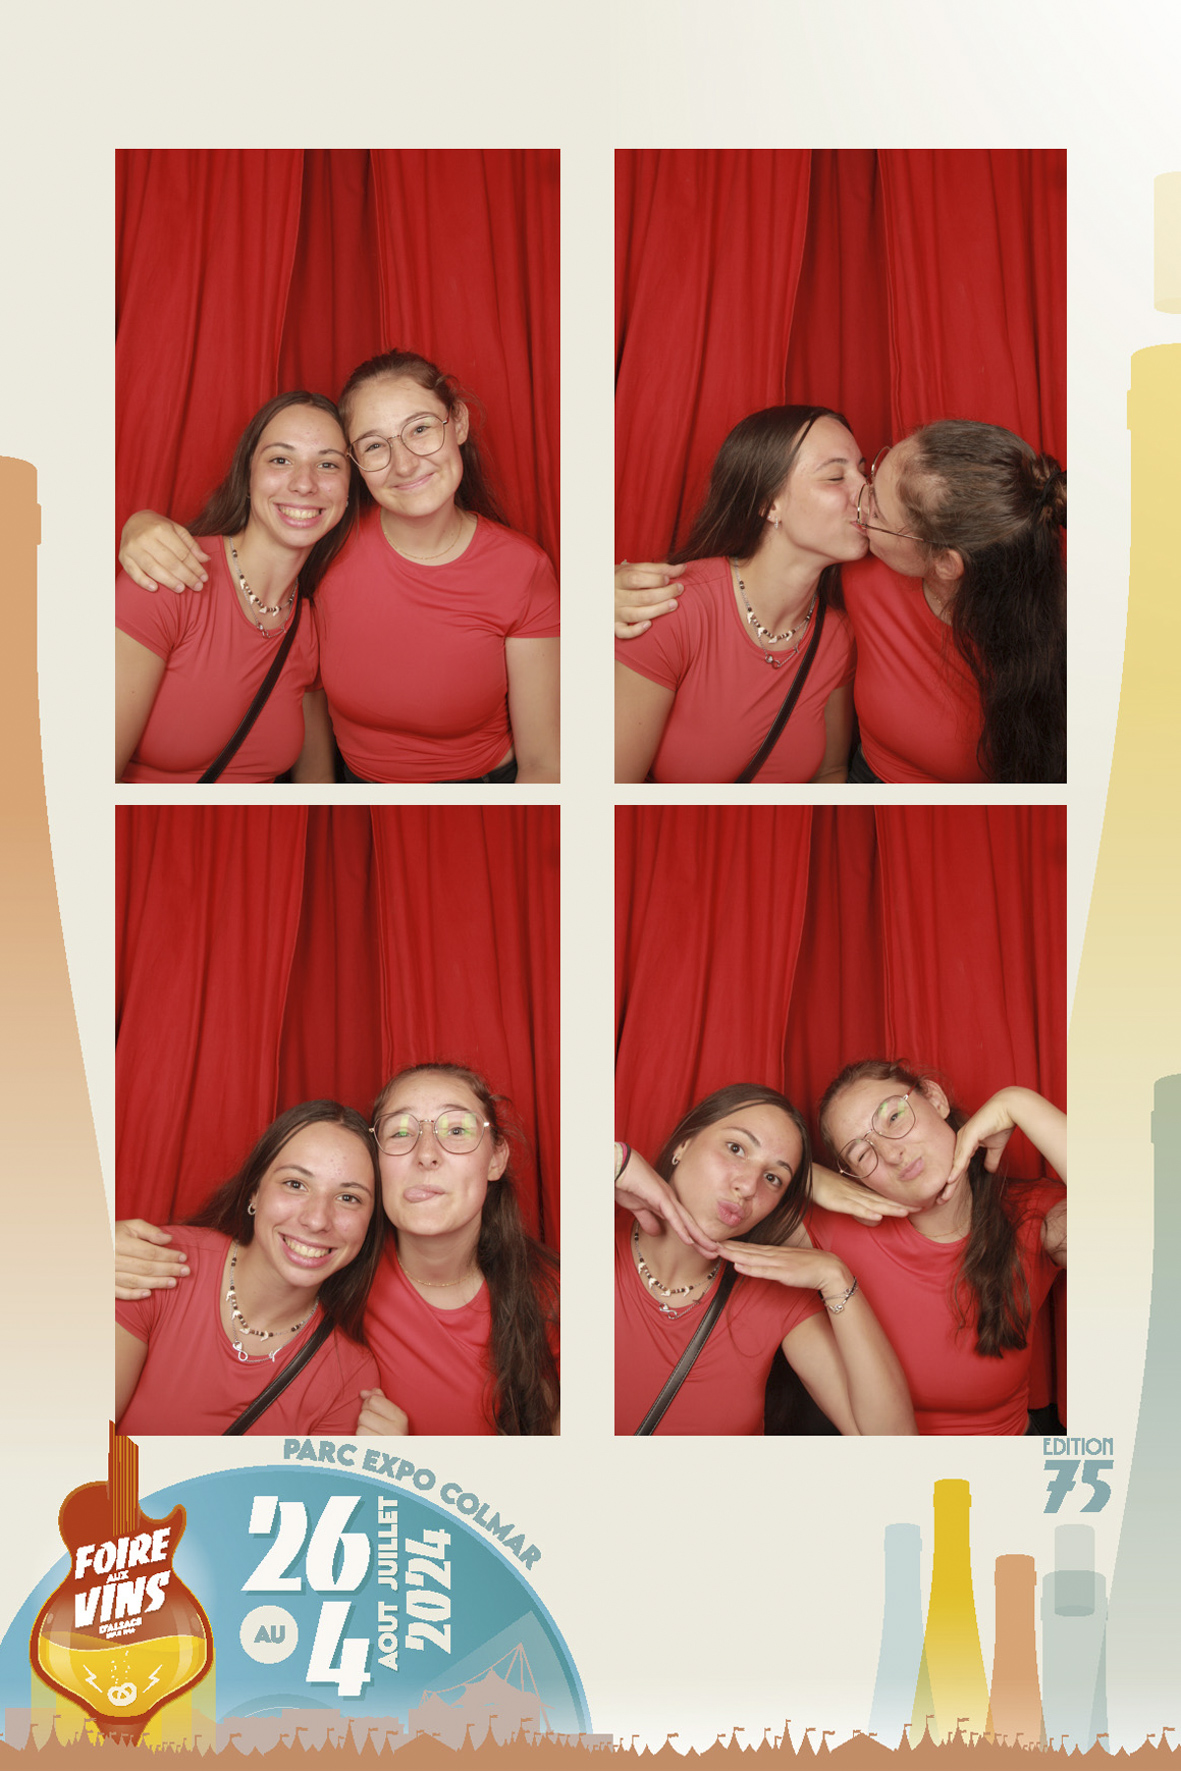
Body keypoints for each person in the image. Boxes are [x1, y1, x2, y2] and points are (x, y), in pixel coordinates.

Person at [119, 350, 560, 784]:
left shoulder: (522, 569)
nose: (405, 463)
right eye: (375, 445)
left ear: (458, 422)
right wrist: (138, 525)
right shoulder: (326, 545)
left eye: (421, 429)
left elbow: (546, 764)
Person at [616, 418, 1066, 784]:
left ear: (944, 564)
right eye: (844, 476)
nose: (861, 500)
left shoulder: (1059, 644)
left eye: (877, 509)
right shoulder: (858, 566)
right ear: (768, 502)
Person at [117, 1064, 560, 1436]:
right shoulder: (332, 1260)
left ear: (497, 1158)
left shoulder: (551, 1297)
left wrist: (405, 1471)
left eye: (457, 1129)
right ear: (379, 1166)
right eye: (401, 1132)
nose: (427, 1154)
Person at [613, 1085, 916, 1435]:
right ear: (684, 1144)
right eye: (736, 1149)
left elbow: (890, 1443)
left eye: (773, 1178)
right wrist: (612, 1160)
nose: (747, 1187)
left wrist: (837, 1277)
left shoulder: (774, 1300)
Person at [809, 1061, 1067, 1435]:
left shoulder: (1030, 1217)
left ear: (934, 1099)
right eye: (862, 1154)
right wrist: (809, 1179)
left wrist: (1019, 1104)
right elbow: (730, 1209)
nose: (892, 1154)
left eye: (894, 1117)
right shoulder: (838, 1231)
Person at [116, 392, 354, 783]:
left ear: (348, 490)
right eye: (280, 460)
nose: (304, 483)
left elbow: (316, 786)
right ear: (247, 476)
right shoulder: (167, 578)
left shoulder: (312, 625)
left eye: (328, 464)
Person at [614, 406, 859, 783]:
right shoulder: (673, 609)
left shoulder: (838, 634)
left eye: (863, 472)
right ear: (768, 503)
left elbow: (831, 771)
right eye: (835, 477)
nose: (865, 491)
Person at [116, 1101, 384, 1436]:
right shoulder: (158, 1263)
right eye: (295, 1184)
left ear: (369, 1224)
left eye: (349, 1198)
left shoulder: (350, 1378)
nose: (317, 1220)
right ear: (254, 1192)